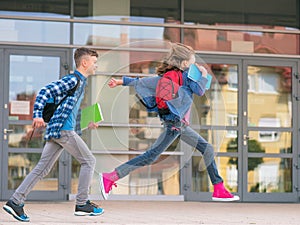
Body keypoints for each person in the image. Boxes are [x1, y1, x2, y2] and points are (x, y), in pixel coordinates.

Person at [99, 42, 239, 202]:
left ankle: (219, 188)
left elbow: (142, 82)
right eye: (193, 62)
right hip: (176, 125)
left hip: (175, 123)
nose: (194, 65)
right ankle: (110, 177)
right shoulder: (187, 76)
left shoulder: (165, 77)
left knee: (203, 149)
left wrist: (120, 81)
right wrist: (204, 74)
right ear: (185, 63)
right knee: (153, 155)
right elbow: (200, 91)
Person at [3, 47, 104, 222]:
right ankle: (82, 203)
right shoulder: (73, 80)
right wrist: (37, 115)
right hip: (63, 130)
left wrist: (87, 122)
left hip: (59, 129)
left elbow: (69, 112)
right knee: (89, 161)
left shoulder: (81, 84)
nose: (96, 66)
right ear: (85, 62)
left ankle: (15, 201)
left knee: (42, 168)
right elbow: (44, 92)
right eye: (94, 62)